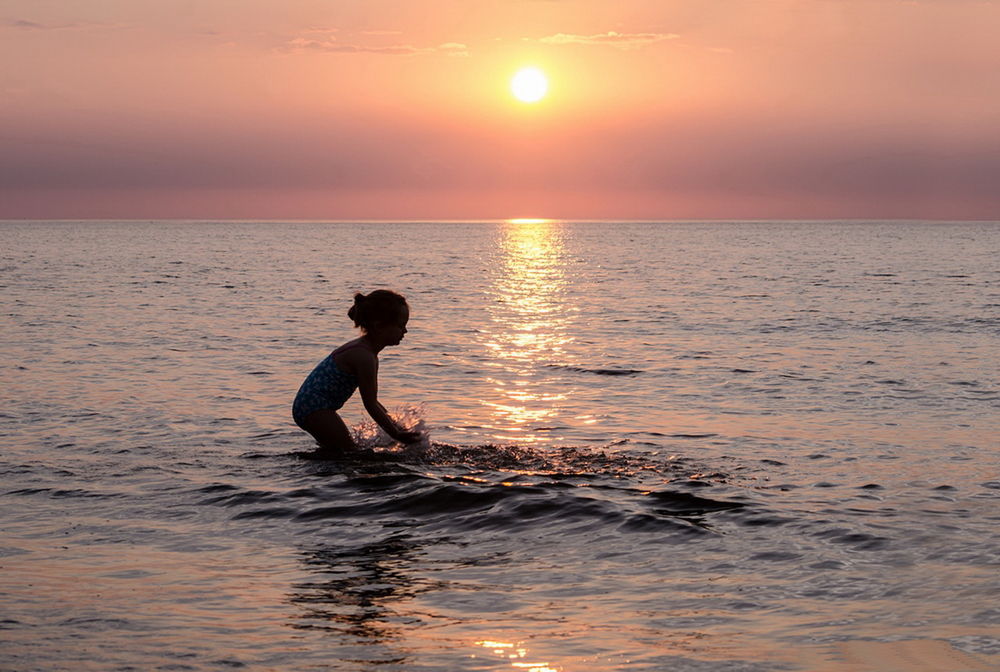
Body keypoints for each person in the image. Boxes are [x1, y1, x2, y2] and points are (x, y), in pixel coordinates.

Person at [292, 290, 422, 454]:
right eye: (400, 325)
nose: (405, 331)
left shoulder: (367, 352)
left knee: (336, 451)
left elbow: (374, 401)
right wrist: (396, 434)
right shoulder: (364, 357)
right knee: (350, 453)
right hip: (315, 408)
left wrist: (394, 424)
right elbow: (370, 404)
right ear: (379, 326)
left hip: (311, 406)